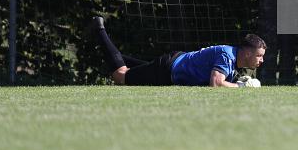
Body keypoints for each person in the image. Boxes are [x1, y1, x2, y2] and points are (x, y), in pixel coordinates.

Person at [90, 17, 266, 87]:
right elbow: (216, 84)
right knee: (121, 76)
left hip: (173, 63)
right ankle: (99, 30)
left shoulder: (231, 56)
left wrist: (238, 80)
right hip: (168, 70)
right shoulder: (227, 57)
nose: (261, 60)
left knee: (130, 66)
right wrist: (241, 87)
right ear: (247, 53)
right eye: (259, 55)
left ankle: (104, 53)